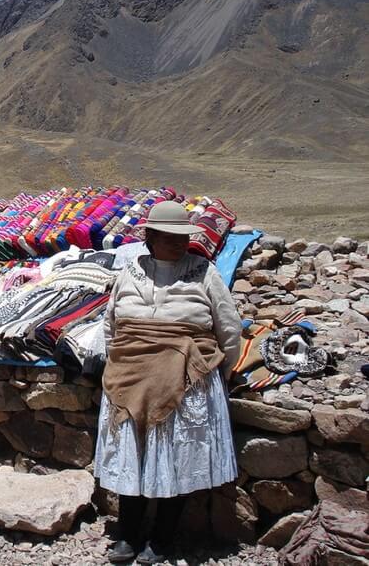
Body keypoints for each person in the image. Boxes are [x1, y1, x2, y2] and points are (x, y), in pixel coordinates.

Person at [93, 200, 242, 564]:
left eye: (183, 238)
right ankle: (127, 535)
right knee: (134, 455)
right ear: (151, 238)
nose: (179, 244)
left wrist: (217, 373)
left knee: (174, 457)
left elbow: (228, 326)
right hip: (129, 374)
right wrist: (117, 362)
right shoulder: (131, 272)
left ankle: (161, 541)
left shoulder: (203, 272)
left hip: (186, 375)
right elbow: (111, 324)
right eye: (170, 238)